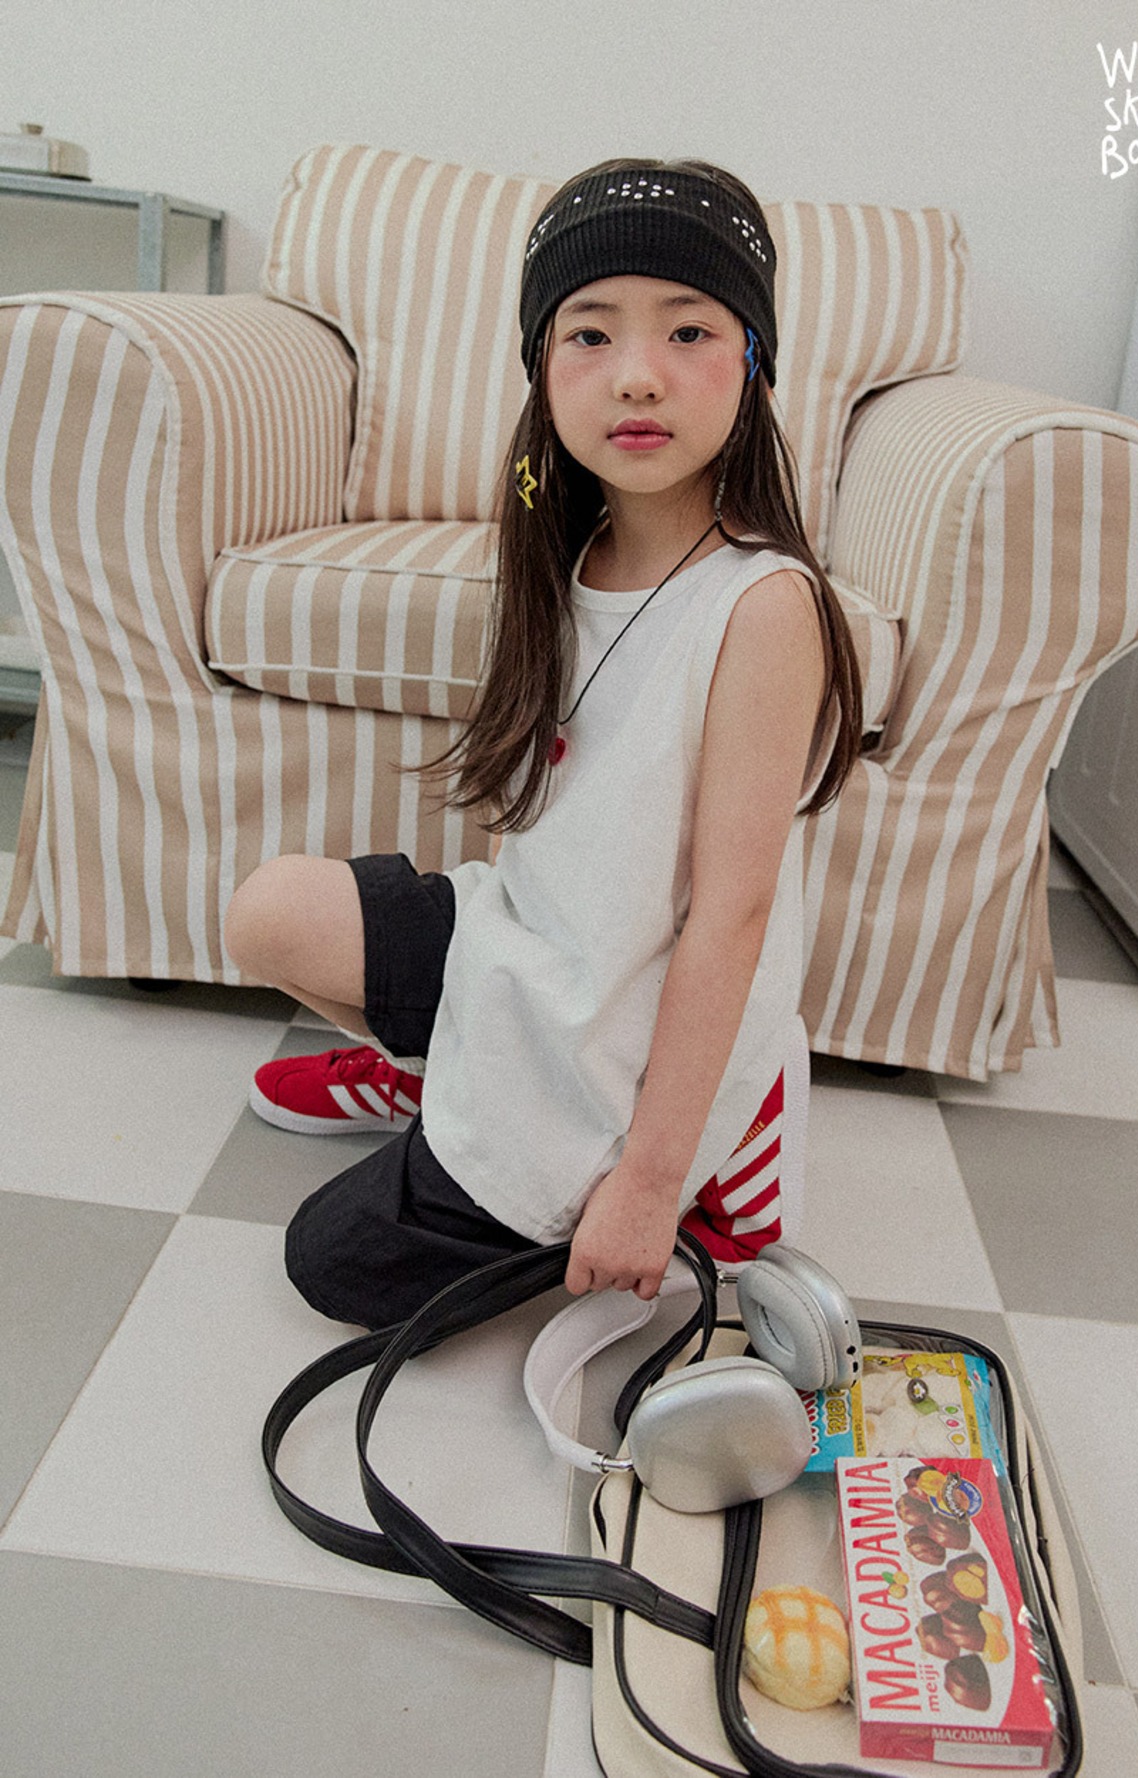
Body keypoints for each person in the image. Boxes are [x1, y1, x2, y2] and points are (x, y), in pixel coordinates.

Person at [224, 157, 862, 1327]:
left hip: (632, 1015)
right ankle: (443, 1066)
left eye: (687, 331)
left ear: (752, 362)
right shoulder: (564, 553)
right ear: (540, 367)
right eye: (589, 334)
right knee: (268, 910)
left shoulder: (762, 607)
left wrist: (649, 1183)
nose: (636, 373)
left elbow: (733, 915)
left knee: (331, 1261)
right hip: (527, 949)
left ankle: (733, 1137)